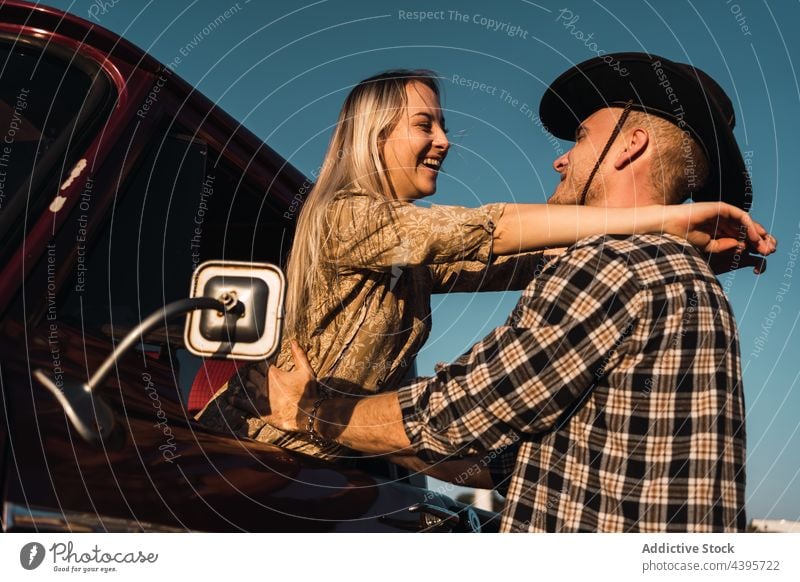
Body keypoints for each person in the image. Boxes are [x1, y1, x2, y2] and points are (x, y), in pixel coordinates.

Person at [260, 53, 777, 532]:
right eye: (425, 124)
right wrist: (668, 223)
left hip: (311, 460)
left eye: (578, 137)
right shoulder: (349, 217)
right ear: (372, 136)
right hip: (284, 460)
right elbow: (488, 237)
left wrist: (310, 413)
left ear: (630, 144)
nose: (444, 140)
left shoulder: (615, 267)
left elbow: (457, 413)